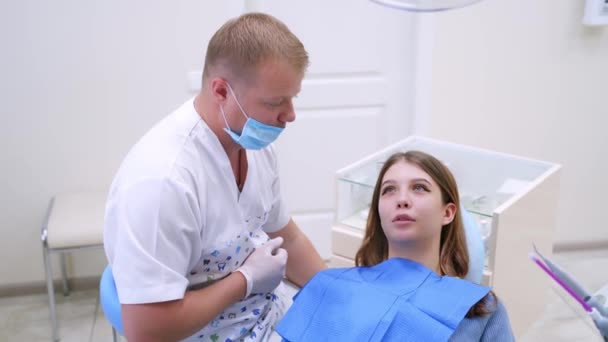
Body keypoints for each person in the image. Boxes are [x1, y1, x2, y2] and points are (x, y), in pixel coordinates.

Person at [103, 12, 326, 342]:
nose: (290, 115)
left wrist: (339, 291)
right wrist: (244, 280)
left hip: (267, 314)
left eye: (293, 97)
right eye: (277, 101)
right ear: (221, 90)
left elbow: (287, 237)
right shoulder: (163, 183)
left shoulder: (254, 144)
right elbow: (146, 330)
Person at [277, 151, 514, 341]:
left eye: (419, 188)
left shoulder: (479, 309)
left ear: (448, 212)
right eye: (389, 190)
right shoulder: (328, 288)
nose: (402, 200)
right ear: (379, 211)